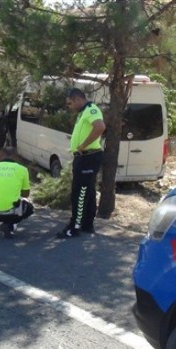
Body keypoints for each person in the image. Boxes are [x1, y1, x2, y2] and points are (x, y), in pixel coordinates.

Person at [56, 88, 106, 239]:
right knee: (88, 192)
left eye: (70, 103)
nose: (70, 106)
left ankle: (74, 227)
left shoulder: (91, 110)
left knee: (80, 193)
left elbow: (100, 127)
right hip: (83, 157)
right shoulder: (83, 113)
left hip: (88, 156)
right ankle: (87, 224)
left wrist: (83, 145)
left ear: (77, 98)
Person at [0, 147, 34, 239]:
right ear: (16, 157)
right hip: (8, 213)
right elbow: (26, 194)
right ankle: (9, 225)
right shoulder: (22, 170)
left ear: (1, 156)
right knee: (28, 207)